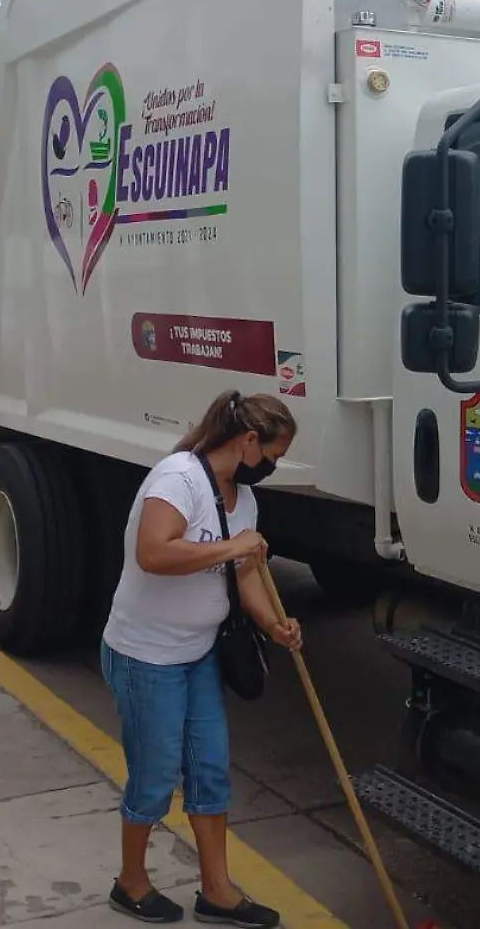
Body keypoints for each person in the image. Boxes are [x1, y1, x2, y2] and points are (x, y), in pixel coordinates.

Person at [100, 390, 302, 927]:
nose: (274, 466)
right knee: (155, 773)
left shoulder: (244, 499)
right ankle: (131, 882)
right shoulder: (178, 479)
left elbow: (246, 577)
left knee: (210, 770)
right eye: (274, 454)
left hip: (198, 654)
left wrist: (273, 625)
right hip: (146, 656)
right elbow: (154, 552)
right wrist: (232, 547)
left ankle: (217, 889)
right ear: (248, 440)